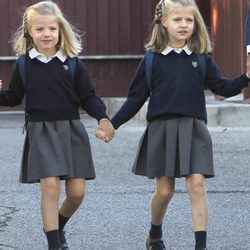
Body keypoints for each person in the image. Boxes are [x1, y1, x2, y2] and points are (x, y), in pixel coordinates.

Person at [96, 0, 250, 249]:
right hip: (162, 129)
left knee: (196, 184)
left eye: (189, 20)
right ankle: (154, 234)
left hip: (194, 128)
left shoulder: (200, 58)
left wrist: (246, 78)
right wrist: (112, 124)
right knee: (165, 191)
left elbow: (222, 87)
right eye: (177, 19)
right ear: (164, 22)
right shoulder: (151, 60)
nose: (184, 25)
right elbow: (136, 99)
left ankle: (201, 245)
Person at [0, 1, 114, 250]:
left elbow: (88, 97)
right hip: (40, 131)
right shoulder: (23, 64)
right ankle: (54, 243)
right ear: (29, 31)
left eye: (52, 28)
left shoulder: (72, 62)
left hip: (71, 130)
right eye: (39, 29)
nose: (46, 33)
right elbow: (14, 97)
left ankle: (57, 225)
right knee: (50, 186)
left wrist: (103, 118)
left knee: (76, 192)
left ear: (61, 29)